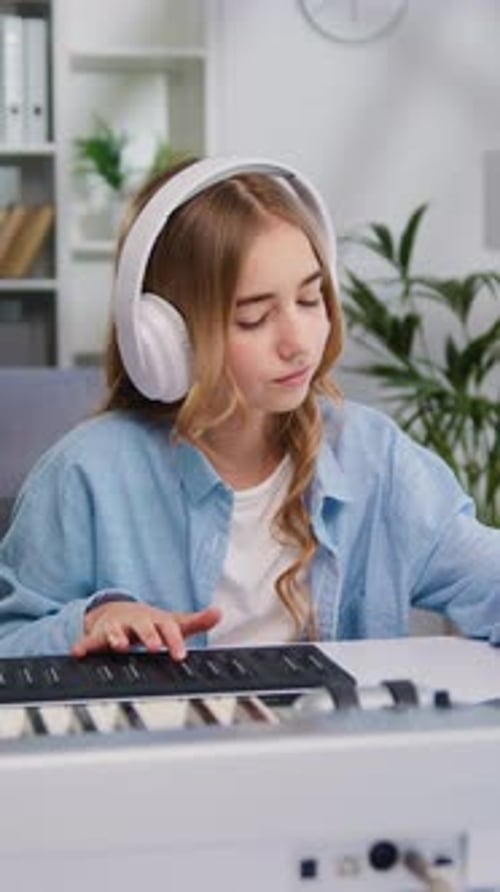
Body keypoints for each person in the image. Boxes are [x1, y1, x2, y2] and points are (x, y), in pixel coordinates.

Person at [0, 157, 499, 660]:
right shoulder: (85, 474)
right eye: (254, 318)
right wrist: (91, 620)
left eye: (310, 300)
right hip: (167, 738)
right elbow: (9, 642)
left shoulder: (373, 456)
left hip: (331, 739)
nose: (298, 343)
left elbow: (487, 576)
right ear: (167, 340)